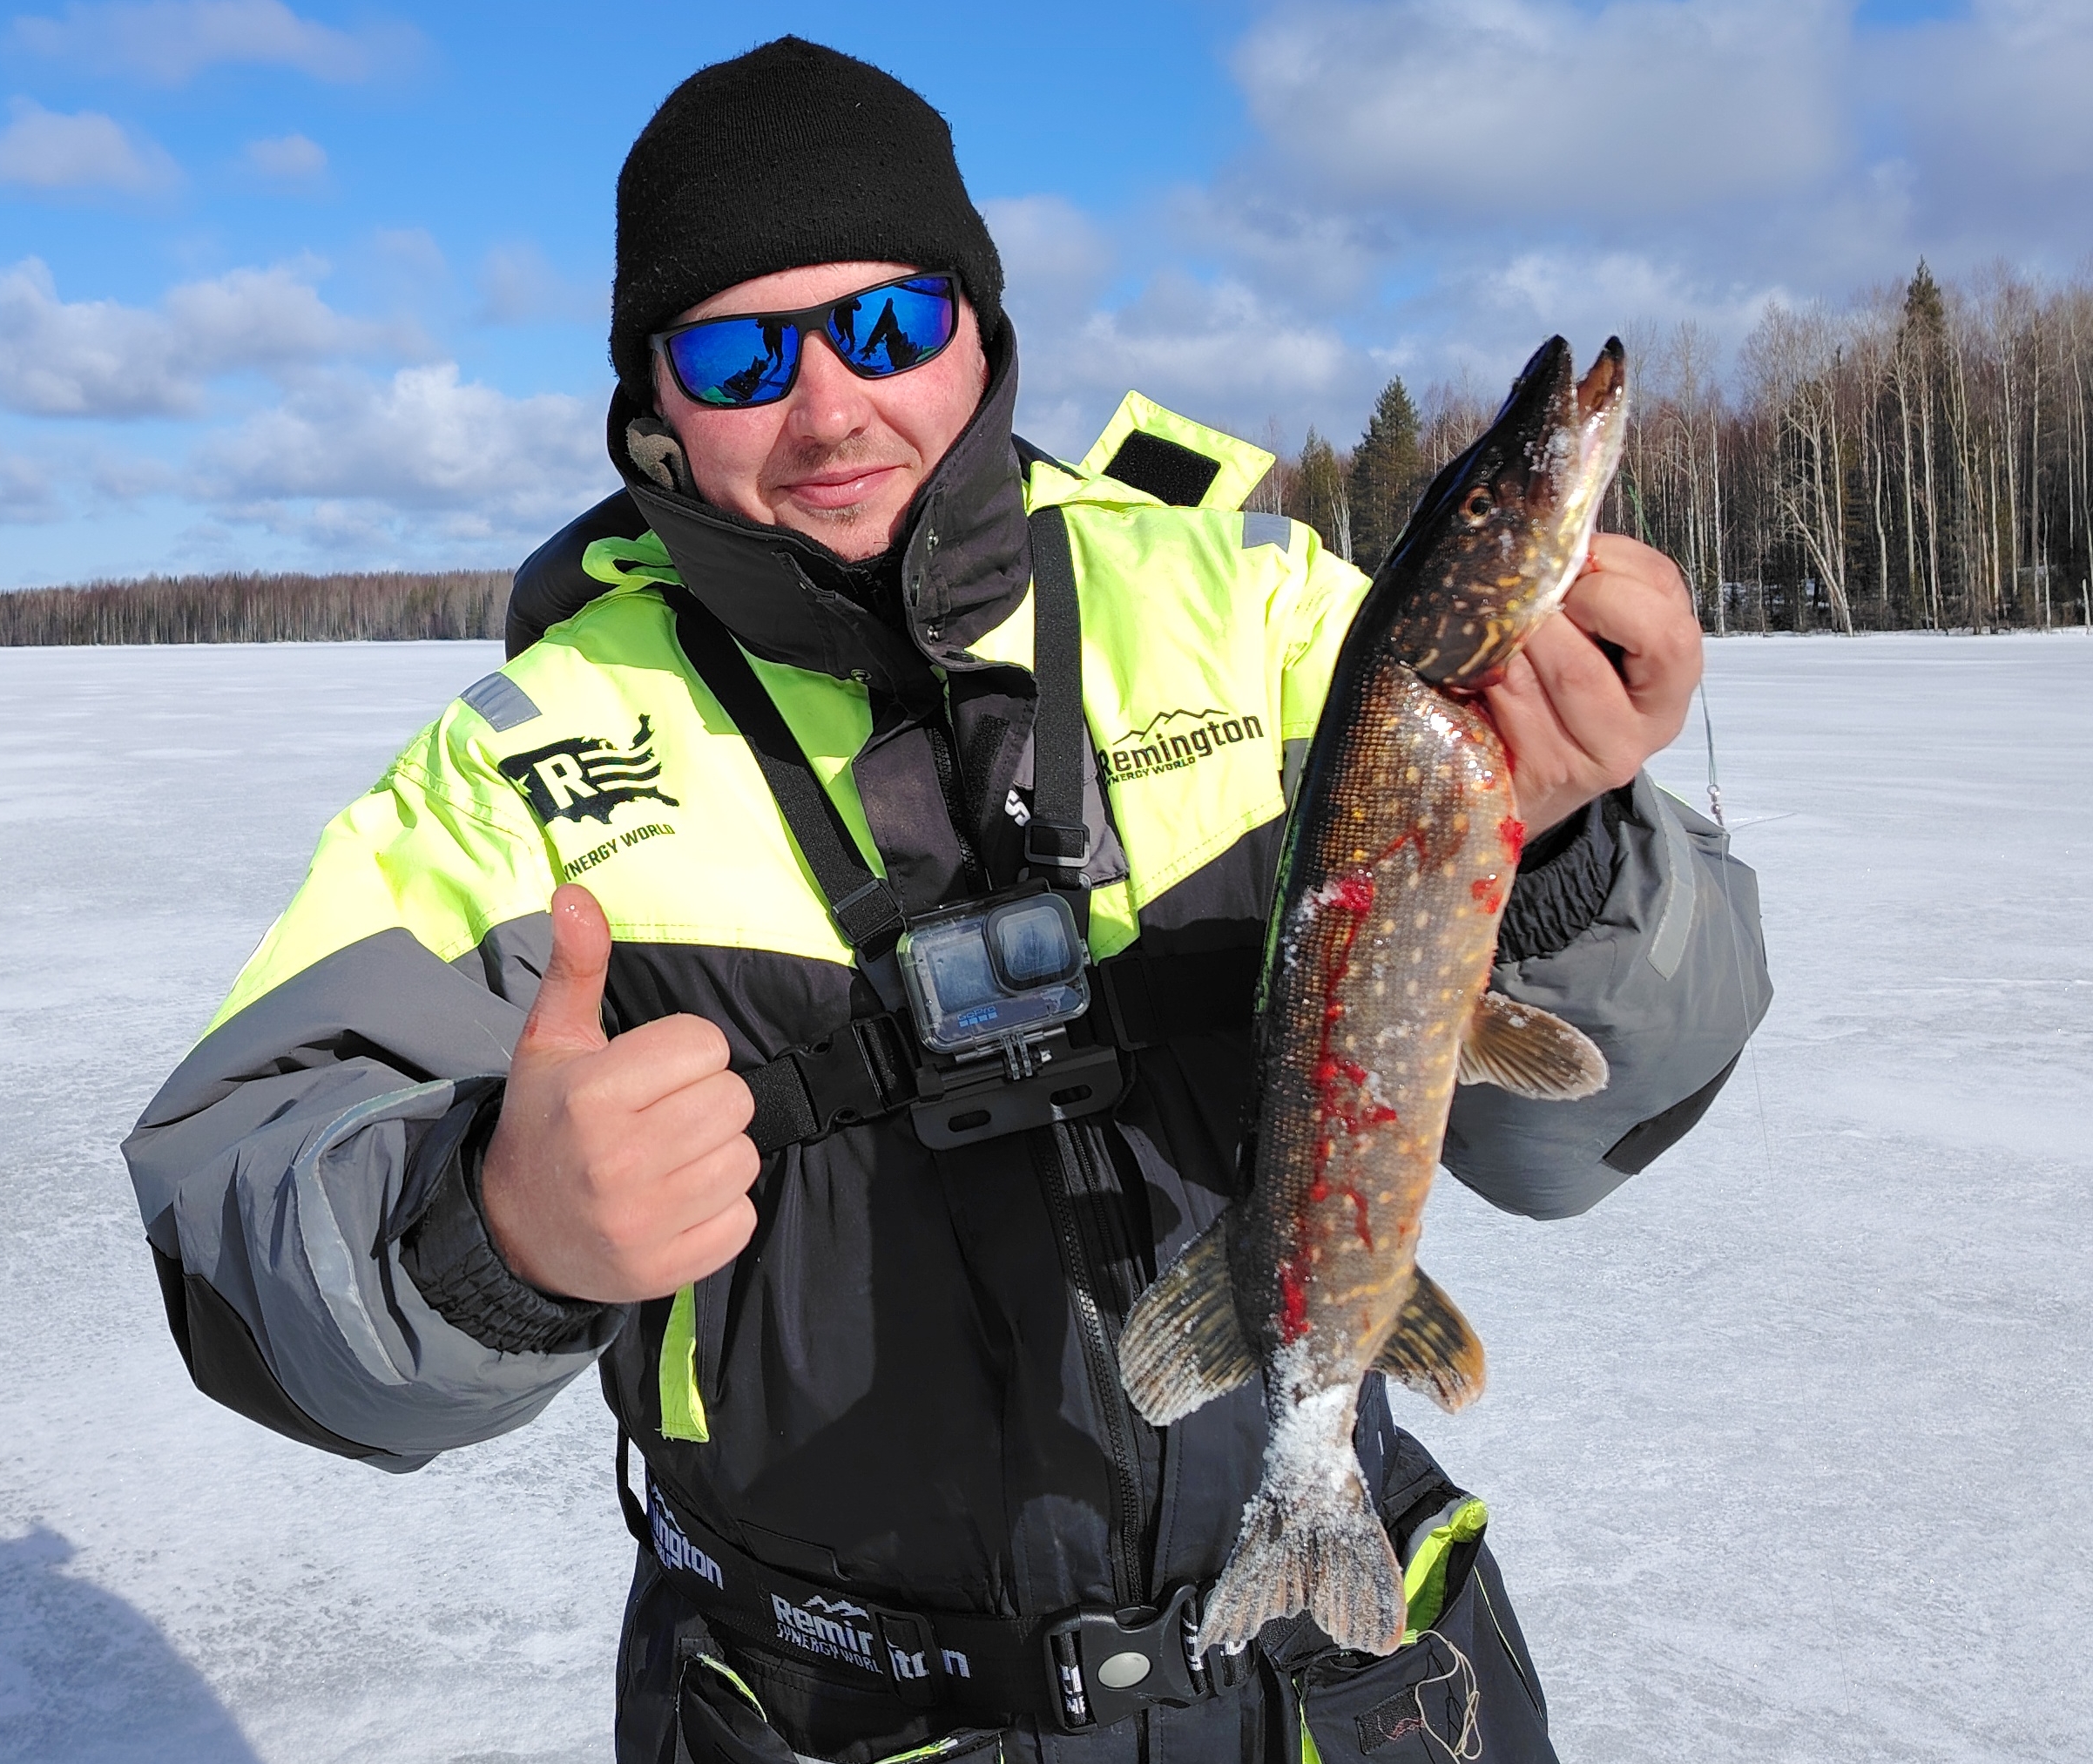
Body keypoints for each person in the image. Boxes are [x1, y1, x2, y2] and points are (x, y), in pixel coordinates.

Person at [124, 37, 1770, 1764]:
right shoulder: (533, 757)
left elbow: (1589, 1129)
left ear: (980, 324)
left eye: (891, 325)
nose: (831, 407)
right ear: (651, 402)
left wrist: (1568, 856)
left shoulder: (1265, 609)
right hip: (839, 1712)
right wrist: (493, 1235)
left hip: (1346, 1687)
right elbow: (236, 1231)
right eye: (742, 353)